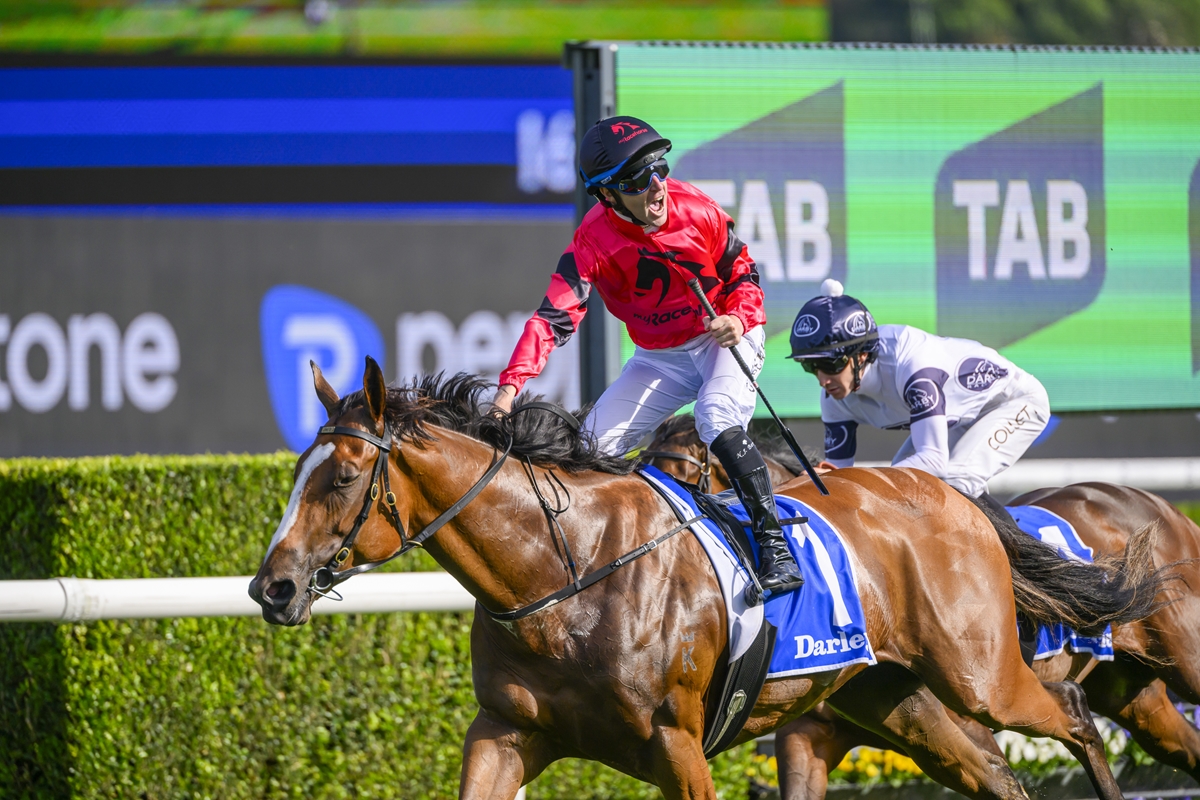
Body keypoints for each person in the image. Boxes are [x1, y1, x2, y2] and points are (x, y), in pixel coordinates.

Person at [493, 115, 802, 599]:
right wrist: (508, 390)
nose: (657, 186)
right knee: (589, 448)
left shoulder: (696, 207)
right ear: (607, 194)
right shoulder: (591, 242)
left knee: (716, 416)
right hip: (660, 356)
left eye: (660, 168)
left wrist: (738, 318)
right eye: (639, 179)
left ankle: (775, 549)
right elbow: (551, 318)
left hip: (722, 338)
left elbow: (743, 273)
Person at [788, 279, 1050, 519]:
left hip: (1015, 401)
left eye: (831, 365)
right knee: (904, 479)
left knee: (955, 480)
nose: (823, 380)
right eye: (811, 367)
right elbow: (838, 472)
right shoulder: (833, 397)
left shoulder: (912, 367)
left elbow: (933, 460)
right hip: (956, 416)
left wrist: (860, 482)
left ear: (861, 355)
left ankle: (1022, 554)